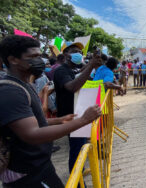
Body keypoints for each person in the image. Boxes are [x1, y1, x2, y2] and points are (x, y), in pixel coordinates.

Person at [0, 35, 101, 187]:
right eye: (33, 56)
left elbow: (29, 121)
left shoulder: (25, 84)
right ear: (13, 59)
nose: (39, 61)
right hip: (27, 174)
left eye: (39, 55)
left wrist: (58, 120)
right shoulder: (10, 91)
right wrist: (83, 120)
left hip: (39, 166)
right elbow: (31, 134)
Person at [53, 41, 103, 174]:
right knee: (77, 150)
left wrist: (92, 63)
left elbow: (81, 71)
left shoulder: (74, 68)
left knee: (80, 147)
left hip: (80, 112)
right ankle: (77, 181)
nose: (78, 54)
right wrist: (91, 64)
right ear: (65, 54)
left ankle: (78, 173)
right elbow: (72, 87)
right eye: (74, 51)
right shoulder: (61, 71)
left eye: (80, 52)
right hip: (71, 115)